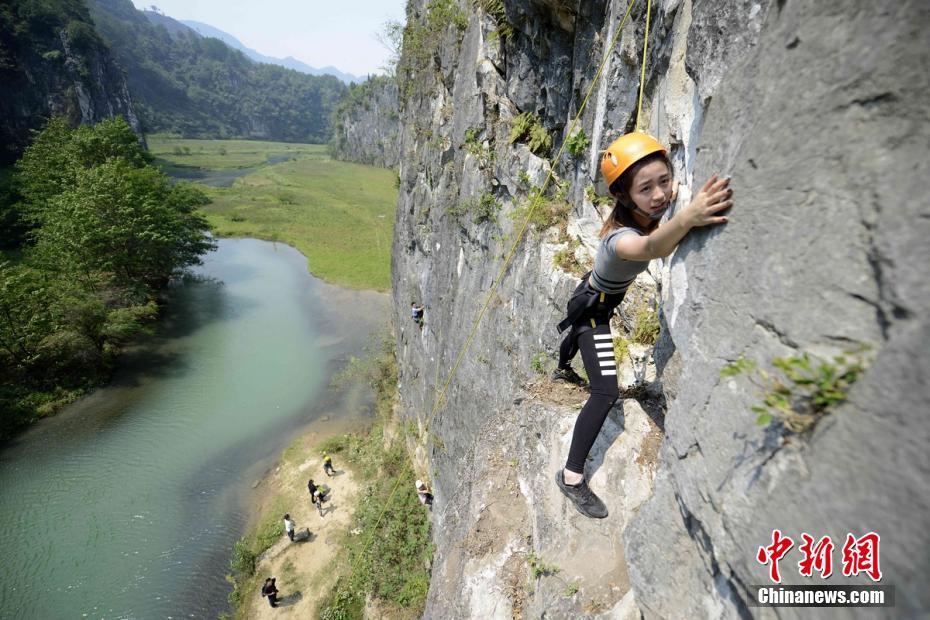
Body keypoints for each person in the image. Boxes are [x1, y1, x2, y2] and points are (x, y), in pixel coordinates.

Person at [553, 132, 733, 518]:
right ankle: (570, 477)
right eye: (645, 188)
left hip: (593, 295)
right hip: (593, 310)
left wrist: (679, 197)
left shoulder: (641, 214)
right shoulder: (620, 239)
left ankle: (564, 362)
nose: (659, 195)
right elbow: (652, 248)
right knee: (603, 393)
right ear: (623, 195)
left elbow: (659, 222)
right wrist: (689, 215)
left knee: (579, 334)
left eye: (664, 181)